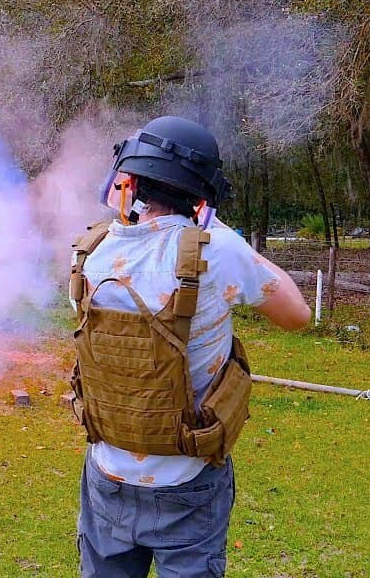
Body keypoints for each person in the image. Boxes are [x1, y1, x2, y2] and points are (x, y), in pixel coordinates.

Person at [67, 115, 310, 577]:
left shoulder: (88, 253)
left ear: (132, 179)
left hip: (108, 474)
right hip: (188, 477)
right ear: (203, 193)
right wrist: (230, 240)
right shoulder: (218, 250)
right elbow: (297, 315)